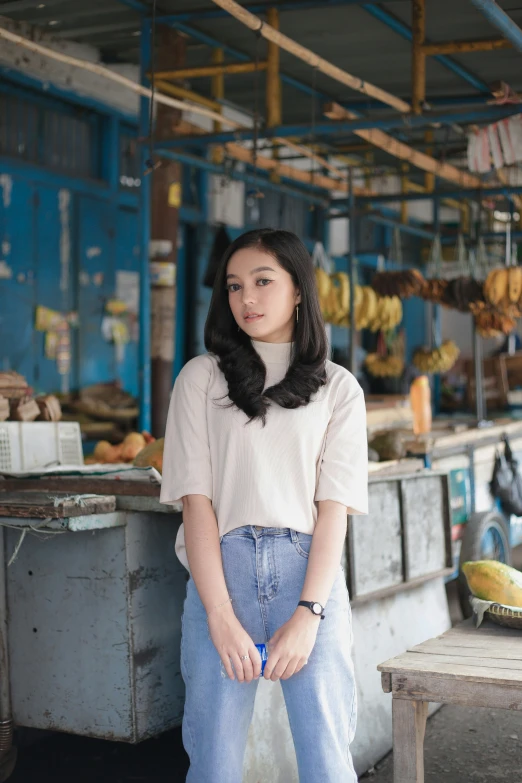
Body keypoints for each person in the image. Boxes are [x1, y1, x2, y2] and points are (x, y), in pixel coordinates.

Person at [160, 228, 368, 783]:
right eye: (234, 286)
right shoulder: (200, 379)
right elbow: (195, 504)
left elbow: (334, 513)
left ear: (299, 289)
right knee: (213, 763)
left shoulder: (338, 388)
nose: (245, 298)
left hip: (310, 582)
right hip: (218, 580)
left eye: (262, 281)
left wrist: (309, 615)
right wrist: (219, 616)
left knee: (326, 760)